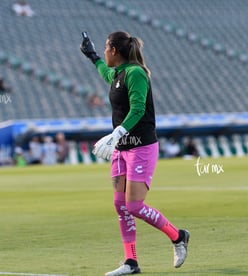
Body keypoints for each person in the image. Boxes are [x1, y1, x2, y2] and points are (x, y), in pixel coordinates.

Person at [81, 31, 190, 275]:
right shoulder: (118, 74)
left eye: (105, 48)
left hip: (141, 146)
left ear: (114, 51)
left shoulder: (136, 73)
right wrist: (92, 56)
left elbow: (139, 108)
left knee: (134, 205)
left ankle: (178, 236)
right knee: (120, 205)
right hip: (122, 149)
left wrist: (117, 133)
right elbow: (105, 72)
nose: (105, 52)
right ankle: (131, 262)